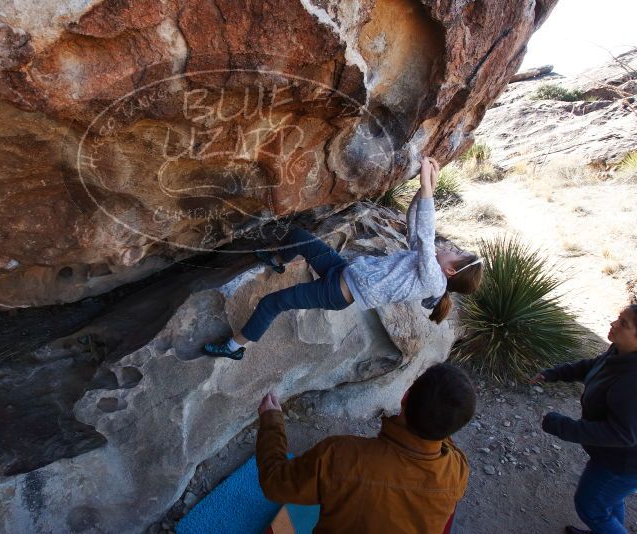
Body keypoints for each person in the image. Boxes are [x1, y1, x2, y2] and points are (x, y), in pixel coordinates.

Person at [203, 156, 483, 360]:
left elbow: (424, 235)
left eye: (456, 253)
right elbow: (415, 227)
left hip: (336, 292)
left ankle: (233, 348)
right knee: (300, 236)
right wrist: (427, 185)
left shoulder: (433, 281)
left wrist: (428, 186)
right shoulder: (430, 267)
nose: (451, 248)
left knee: (272, 303)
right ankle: (278, 261)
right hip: (343, 271)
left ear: (450, 272)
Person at [255, 362, 475, 533]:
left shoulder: (342, 457)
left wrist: (271, 422)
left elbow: (275, 483)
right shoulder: (457, 471)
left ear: (405, 395)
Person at [533, 304, 637, 534]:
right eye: (619, 318)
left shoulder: (632, 382)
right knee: (608, 500)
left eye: (623, 324)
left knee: (591, 508)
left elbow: (619, 433)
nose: (613, 324)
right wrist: (555, 373)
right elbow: (593, 366)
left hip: (623, 464)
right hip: (612, 456)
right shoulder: (620, 353)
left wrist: (560, 425)